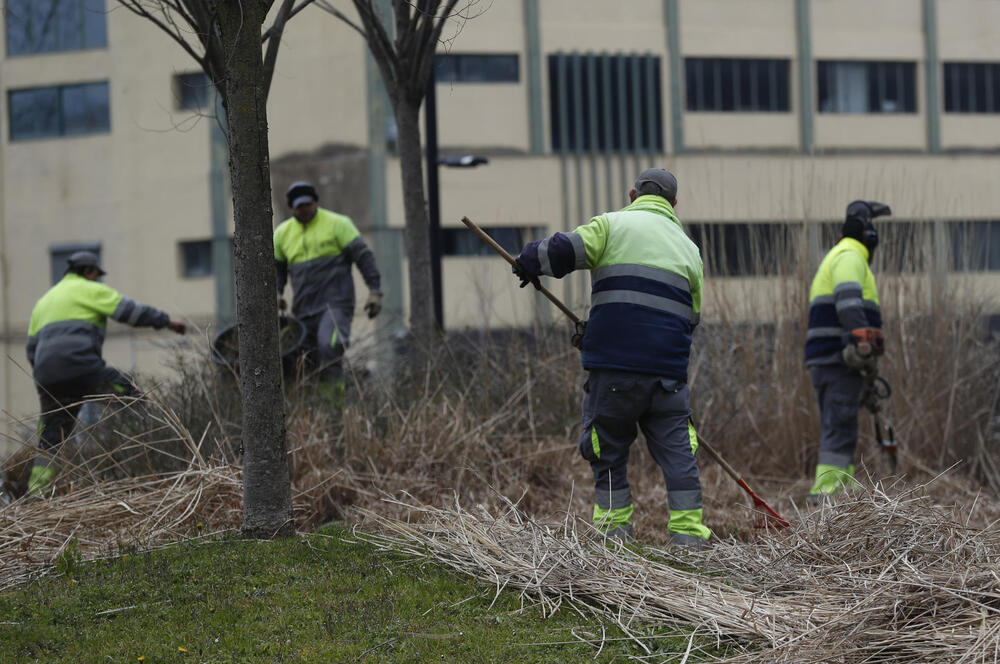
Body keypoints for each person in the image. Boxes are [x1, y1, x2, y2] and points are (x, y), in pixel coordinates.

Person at [511, 168, 711, 549]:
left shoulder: (612, 226)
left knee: (608, 450)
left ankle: (614, 541)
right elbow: (691, 319)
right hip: (668, 378)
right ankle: (690, 541)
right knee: (679, 457)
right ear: (674, 204)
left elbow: (561, 252)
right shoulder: (690, 250)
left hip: (615, 373)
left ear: (633, 194)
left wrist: (527, 260)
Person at [22, 251, 187, 495]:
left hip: (47, 377)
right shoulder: (90, 290)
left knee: (51, 439)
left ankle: (37, 493)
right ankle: (151, 462)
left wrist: (47, 379)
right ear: (89, 272)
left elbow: (31, 349)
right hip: (83, 368)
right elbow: (131, 312)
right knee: (132, 397)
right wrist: (167, 322)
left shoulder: (45, 301)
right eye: (96, 275)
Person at [805, 200, 891, 499]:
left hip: (829, 358)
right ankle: (827, 495)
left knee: (840, 426)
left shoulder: (836, 256)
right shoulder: (850, 255)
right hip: (838, 358)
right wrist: (862, 343)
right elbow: (848, 301)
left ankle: (840, 488)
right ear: (866, 232)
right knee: (840, 430)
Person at [274, 182, 383, 393]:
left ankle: (334, 406)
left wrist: (375, 291)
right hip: (304, 309)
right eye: (299, 206)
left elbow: (364, 257)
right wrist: (276, 294)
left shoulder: (338, 224)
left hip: (336, 304)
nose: (304, 209)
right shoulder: (281, 234)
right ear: (291, 208)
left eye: (308, 204)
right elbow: (276, 270)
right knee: (302, 360)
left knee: (330, 345)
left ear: (316, 202)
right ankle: (313, 410)